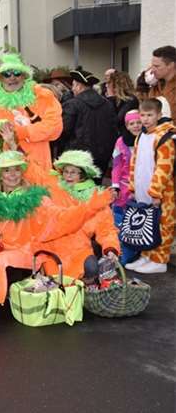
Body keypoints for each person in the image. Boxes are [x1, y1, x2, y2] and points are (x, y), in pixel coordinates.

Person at [0, 150, 111, 309]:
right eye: (7, 170)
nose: (13, 175)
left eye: (17, 169)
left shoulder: (37, 200)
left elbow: (61, 218)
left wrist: (90, 207)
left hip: (25, 257)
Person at [25, 150, 120, 280]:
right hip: (51, 245)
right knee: (53, 279)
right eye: (66, 171)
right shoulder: (54, 185)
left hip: (79, 248)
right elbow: (34, 173)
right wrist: (15, 147)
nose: (68, 176)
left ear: (83, 175)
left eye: (73, 172)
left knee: (90, 268)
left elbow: (106, 228)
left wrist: (111, 248)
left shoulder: (95, 196)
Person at [0, 52, 62, 179]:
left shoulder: (42, 96)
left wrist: (22, 132)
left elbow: (55, 127)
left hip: (35, 168)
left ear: (24, 76)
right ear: (0, 77)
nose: (12, 78)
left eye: (17, 73)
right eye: (7, 74)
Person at [125, 98, 175, 274]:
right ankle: (147, 255)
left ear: (159, 115)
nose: (145, 119)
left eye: (150, 115)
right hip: (142, 190)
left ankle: (159, 260)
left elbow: (164, 168)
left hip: (163, 193)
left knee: (163, 224)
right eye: (143, 115)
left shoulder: (165, 137)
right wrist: (133, 187)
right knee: (148, 224)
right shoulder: (141, 136)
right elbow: (135, 162)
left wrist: (155, 192)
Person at [57, 68, 118, 178]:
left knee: (75, 186)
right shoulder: (107, 104)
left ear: (79, 86)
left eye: (73, 85)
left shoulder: (72, 104)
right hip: (102, 156)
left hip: (76, 157)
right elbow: (113, 130)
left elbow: (63, 131)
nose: (72, 89)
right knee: (96, 187)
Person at [111, 110, 142, 264]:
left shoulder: (147, 139)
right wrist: (115, 186)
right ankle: (120, 253)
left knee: (136, 224)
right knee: (119, 222)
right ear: (127, 126)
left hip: (141, 190)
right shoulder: (120, 142)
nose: (136, 126)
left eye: (138, 122)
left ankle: (135, 253)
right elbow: (116, 166)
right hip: (123, 190)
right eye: (132, 123)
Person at [105, 71, 139, 136]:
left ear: (116, 86)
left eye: (109, 84)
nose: (106, 86)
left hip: (127, 136)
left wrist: (111, 97)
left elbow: (117, 120)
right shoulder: (118, 100)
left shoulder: (131, 100)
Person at [147, 45, 176, 116]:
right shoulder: (155, 85)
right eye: (152, 65)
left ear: (171, 65)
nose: (152, 70)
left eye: (157, 66)